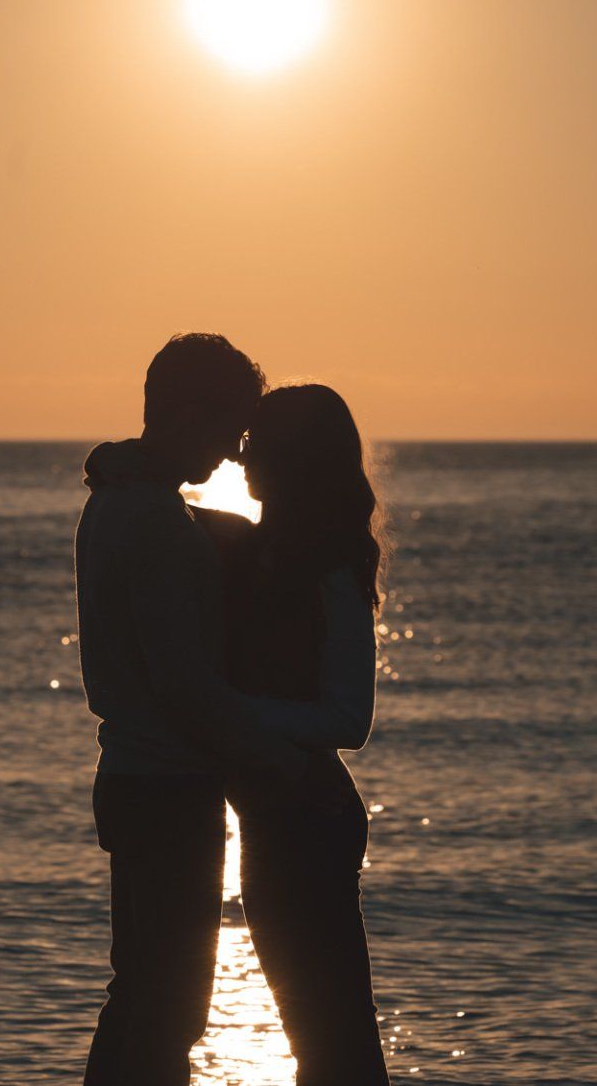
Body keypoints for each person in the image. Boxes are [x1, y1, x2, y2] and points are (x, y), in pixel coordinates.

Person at [76, 334, 310, 1086]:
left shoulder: (118, 501)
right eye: (229, 429)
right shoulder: (152, 524)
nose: (235, 454)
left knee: (140, 995)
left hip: (133, 776)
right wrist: (278, 756)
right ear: (186, 415)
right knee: (170, 1008)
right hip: (168, 787)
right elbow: (184, 686)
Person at [198, 383, 391, 1086]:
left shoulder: (331, 569)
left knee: (334, 1036)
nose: (241, 458)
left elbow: (349, 720)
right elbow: (161, 509)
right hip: (273, 817)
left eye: (258, 445)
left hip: (310, 818)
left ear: (293, 459)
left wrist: (232, 710)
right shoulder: (249, 547)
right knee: (317, 1034)